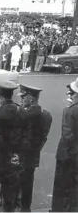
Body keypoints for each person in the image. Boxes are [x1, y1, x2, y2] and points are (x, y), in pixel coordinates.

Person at [0, 80, 28, 212]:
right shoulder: (21, 111)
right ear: (12, 94)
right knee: (10, 199)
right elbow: (26, 137)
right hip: (14, 160)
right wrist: (17, 155)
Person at [17, 84, 52, 212]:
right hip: (32, 155)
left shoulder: (25, 114)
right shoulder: (46, 115)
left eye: (23, 97)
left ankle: (21, 206)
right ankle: (25, 207)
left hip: (22, 154)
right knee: (27, 183)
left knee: (20, 181)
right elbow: (44, 137)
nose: (21, 100)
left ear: (31, 99)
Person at [51, 78, 78, 212]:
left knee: (62, 189)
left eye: (72, 93)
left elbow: (68, 138)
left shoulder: (69, 111)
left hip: (68, 158)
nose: (69, 96)